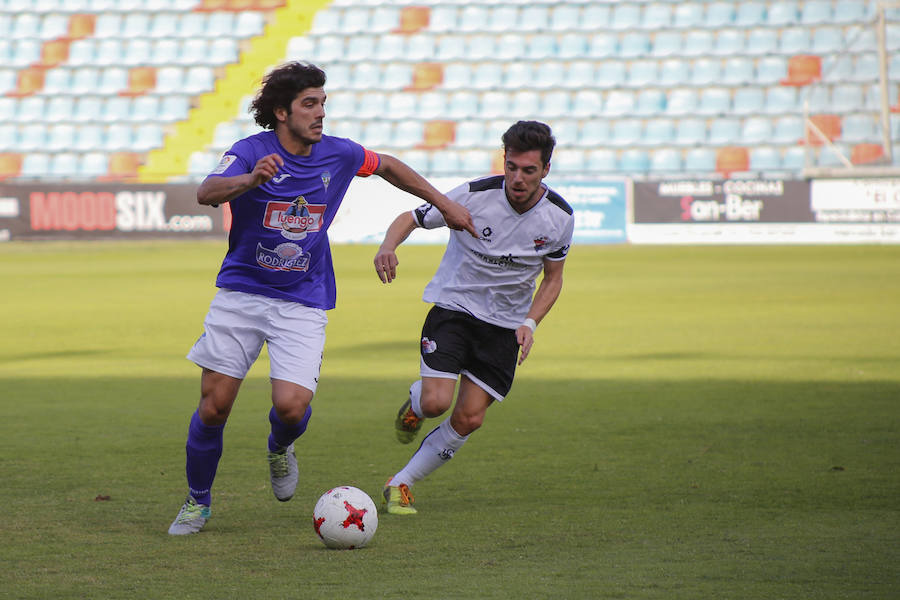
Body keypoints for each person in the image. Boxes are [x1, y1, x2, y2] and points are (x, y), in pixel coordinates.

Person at [168, 61, 476, 535]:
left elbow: (390, 166)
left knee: (291, 407)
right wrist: (250, 181)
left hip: (303, 297)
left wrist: (446, 204)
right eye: (309, 104)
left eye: (322, 104)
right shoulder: (250, 151)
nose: (320, 113)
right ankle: (197, 502)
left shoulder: (339, 154)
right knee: (214, 406)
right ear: (281, 112)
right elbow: (207, 191)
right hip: (242, 292)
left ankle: (279, 445)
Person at [373, 120, 574, 515]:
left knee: (469, 418)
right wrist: (388, 246)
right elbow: (411, 217)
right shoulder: (473, 196)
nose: (517, 178)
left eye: (528, 170)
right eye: (511, 166)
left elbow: (553, 280)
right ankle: (416, 404)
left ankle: (401, 483)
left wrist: (530, 323)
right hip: (455, 309)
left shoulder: (559, 218)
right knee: (436, 403)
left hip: (504, 328)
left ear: (545, 170)